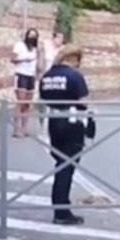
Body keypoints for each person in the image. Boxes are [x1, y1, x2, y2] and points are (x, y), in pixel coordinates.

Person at [39, 44, 92, 225]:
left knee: (60, 163)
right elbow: (84, 102)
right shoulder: (74, 76)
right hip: (72, 122)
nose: (79, 65)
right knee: (66, 167)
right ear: (73, 58)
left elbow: (43, 97)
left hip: (53, 122)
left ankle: (60, 208)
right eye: (78, 61)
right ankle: (61, 211)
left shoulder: (47, 76)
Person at [11, 28, 41, 137]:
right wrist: (24, 59)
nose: (32, 38)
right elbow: (13, 59)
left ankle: (24, 128)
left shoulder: (35, 49)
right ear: (26, 35)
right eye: (30, 35)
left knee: (27, 104)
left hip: (31, 77)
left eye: (34, 36)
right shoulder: (19, 45)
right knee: (21, 102)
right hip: (21, 75)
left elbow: (38, 64)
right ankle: (16, 128)